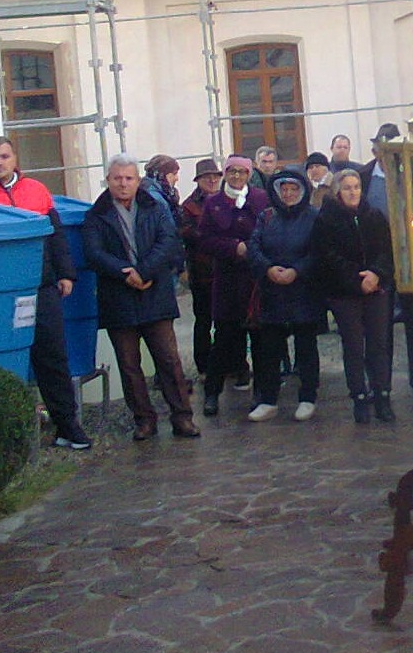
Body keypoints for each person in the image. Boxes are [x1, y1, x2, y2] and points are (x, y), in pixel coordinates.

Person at [0, 136, 89, 450]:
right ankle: (3, 435)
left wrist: (66, 273)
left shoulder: (36, 190)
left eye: (4, 156)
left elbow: (56, 236)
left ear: (14, 159)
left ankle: (67, 426)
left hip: (41, 288)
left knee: (53, 357)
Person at [80, 154, 200, 441]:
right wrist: (125, 274)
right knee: (129, 365)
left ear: (137, 181)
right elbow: (94, 253)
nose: (123, 184)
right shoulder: (96, 214)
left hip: (154, 292)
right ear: (108, 180)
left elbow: (168, 241)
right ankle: (144, 420)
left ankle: (182, 417)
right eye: (117, 178)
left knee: (169, 360)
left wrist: (144, 271)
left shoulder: (154, 207)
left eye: (128, 178)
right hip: (118, 297)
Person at [315, 169, 396, 423]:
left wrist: (376, 274)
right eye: (347, 188)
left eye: (356, 187)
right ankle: (359, 395)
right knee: (353, 345)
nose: (353, 192)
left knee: (379, 344)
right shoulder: (326, 220)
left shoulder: (374, 216)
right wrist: (356, 280)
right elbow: (327, 257)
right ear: (338, 192)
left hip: (376, 289)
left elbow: (387, 250)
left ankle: (382, 394)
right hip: (345, 293)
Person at [245, 168, 323, 421]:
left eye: (293, 189)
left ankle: (307, 397)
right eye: (284, 189)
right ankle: (268, 400)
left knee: (306, 347)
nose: (288, 194)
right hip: (272, 292)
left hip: (304, 291)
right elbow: (254, 247)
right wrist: (268, 269)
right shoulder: (266, 216)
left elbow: (319, 251)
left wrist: (297, 271)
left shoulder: (314, 217)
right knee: (270, 349)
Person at [195, 155, 270, 416]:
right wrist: (232, 247)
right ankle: (212, 393)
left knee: (260, 340)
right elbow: (204, 239)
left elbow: (270, 232)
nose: (236, 176)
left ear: (249, 174)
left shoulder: (260, 198)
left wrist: (253, 250)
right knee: (224, 339)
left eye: (242, 172)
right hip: (227, 280)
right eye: (232, 171)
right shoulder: (213, 202)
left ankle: (261, 393)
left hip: (255, 280)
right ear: (225, 173)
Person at [178, 158, 223, 380]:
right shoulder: (188, 206)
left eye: (215, 176)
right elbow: (187, 233)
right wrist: (215, 237)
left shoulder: (228, 200)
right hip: (202, 273)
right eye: (207, 177)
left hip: (226, 271)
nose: (212, 180)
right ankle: (204, 367)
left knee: (227, 321)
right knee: (203, 320)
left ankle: (230, 363)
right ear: (198, 180)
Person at [358, 123, 402, 214]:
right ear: (374, 152)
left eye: (393, 152)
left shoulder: (410, 173)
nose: (389, 156)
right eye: (383, 151)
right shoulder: (363, 176)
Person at [142, 155, 183, 229]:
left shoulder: (153, 193)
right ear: (162, 175)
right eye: (174, 174)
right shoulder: (156, 200)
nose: (177, 178)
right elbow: (168, 229)